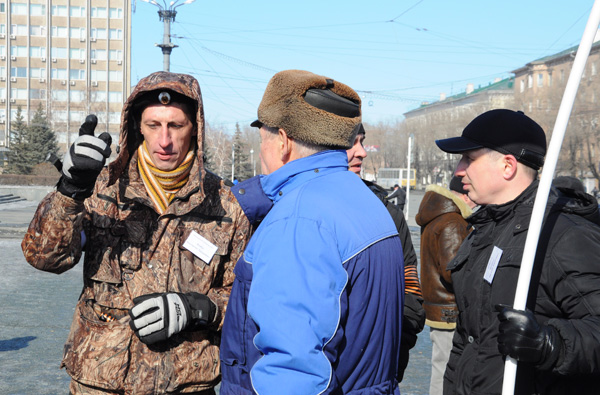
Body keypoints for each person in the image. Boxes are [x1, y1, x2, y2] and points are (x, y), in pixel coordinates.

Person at [21, 71, 251, 395]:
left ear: (195, 128)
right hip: (99, 382)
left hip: (185, 384)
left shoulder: (226, 206)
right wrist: (69, 192)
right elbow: (45, 257)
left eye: (176, 125)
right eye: (154, 125)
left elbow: (247, 298)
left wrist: (197, 308)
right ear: (137, 127)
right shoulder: (102, 188)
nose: (165, 140)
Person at [220, 70, 405, 394]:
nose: (262, 151)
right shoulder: (363, 199)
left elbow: (293, 374)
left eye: (262, 139)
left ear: (283, 141)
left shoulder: (299, 219)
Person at [435, 109, 600, 395]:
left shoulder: (563, 235)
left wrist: (550, 344)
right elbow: (468, 340)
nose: (458, 171)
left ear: (508, 166)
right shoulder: (484, 230)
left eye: (469, 159)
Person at [346, 123, 425, 382]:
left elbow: (410, 290)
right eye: (351, 143)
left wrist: (393, 349)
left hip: (378, 373)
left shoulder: (388, 214)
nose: (362, 152)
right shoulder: (293, 207)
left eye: (362, 141)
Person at [415, 175, 476, 395]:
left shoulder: (436, 216)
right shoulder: (453, 222)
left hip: (438, 307)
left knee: (440, 366)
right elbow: (453, 271)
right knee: (445, 370)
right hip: (450, 310)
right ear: (464, 194)